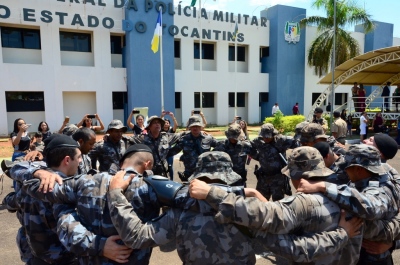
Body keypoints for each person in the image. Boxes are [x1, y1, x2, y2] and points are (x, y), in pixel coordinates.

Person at [189, 146, 364, 265]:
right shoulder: (350, 198)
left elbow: (266, 215)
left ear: (296, 176)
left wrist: (212, 193)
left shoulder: (303, 204)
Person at [14, 144, 180, 265]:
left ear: (122, 163)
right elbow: (190, 201)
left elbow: (34, 188)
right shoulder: (152, 189)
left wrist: (38, 171)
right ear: (148, 164)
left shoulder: (85, 181)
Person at [107, 151, 258, 265]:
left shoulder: (181, 209)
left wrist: (115, 193)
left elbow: (137, 237)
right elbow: (277, 231)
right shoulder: (246, 205)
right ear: (230, 177)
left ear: (198, 179)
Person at [297, 145, 400, 265]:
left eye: (347, 167)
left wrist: (324, 186)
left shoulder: (381, 188)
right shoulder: (361, 181)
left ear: (359, 170)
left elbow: (370, 207)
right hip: (360, 253)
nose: (345, 170)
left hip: (374, 259)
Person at [10, 135, 82, 265]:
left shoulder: (31, 181)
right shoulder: (65, 188)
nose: (81, 161)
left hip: (35, 256)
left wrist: (36, 171)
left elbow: (14, 169)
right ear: (67, 160)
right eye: (79, 157)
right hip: (62, 258)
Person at [250, 123, 296, 201]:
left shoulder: (282, 140)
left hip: (278, 177)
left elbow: (299, 144)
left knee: (278, 202)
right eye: (263, 136)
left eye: (268, 136)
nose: (265, 138)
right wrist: (259, 157)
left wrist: (293, 160)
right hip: (263, 177)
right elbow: (248, 147)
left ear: (273, 134)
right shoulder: (258, 141)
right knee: (260, 200)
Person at [170, 115, 218, 181]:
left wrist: (211, 155)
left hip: (205, 173)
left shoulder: (208, 138)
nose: (195, 128)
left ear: (201, 127)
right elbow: (172, 151)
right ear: (190, 127)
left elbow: (220, 146)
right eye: (193, 126)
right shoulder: (184, 139)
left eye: (197, 126)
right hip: (190, 174)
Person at [161, 111, 178, 179]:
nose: (166, 124)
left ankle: (171, 179)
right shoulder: (160, 130)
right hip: (162, 151)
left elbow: (176, 125)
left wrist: (173, 117)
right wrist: (161, 116)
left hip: (169, 151)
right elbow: (158, 123)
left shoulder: (171, 131)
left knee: (170, 166)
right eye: (164, 123)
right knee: (162, 166)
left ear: (169, 124)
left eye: (167, 123)